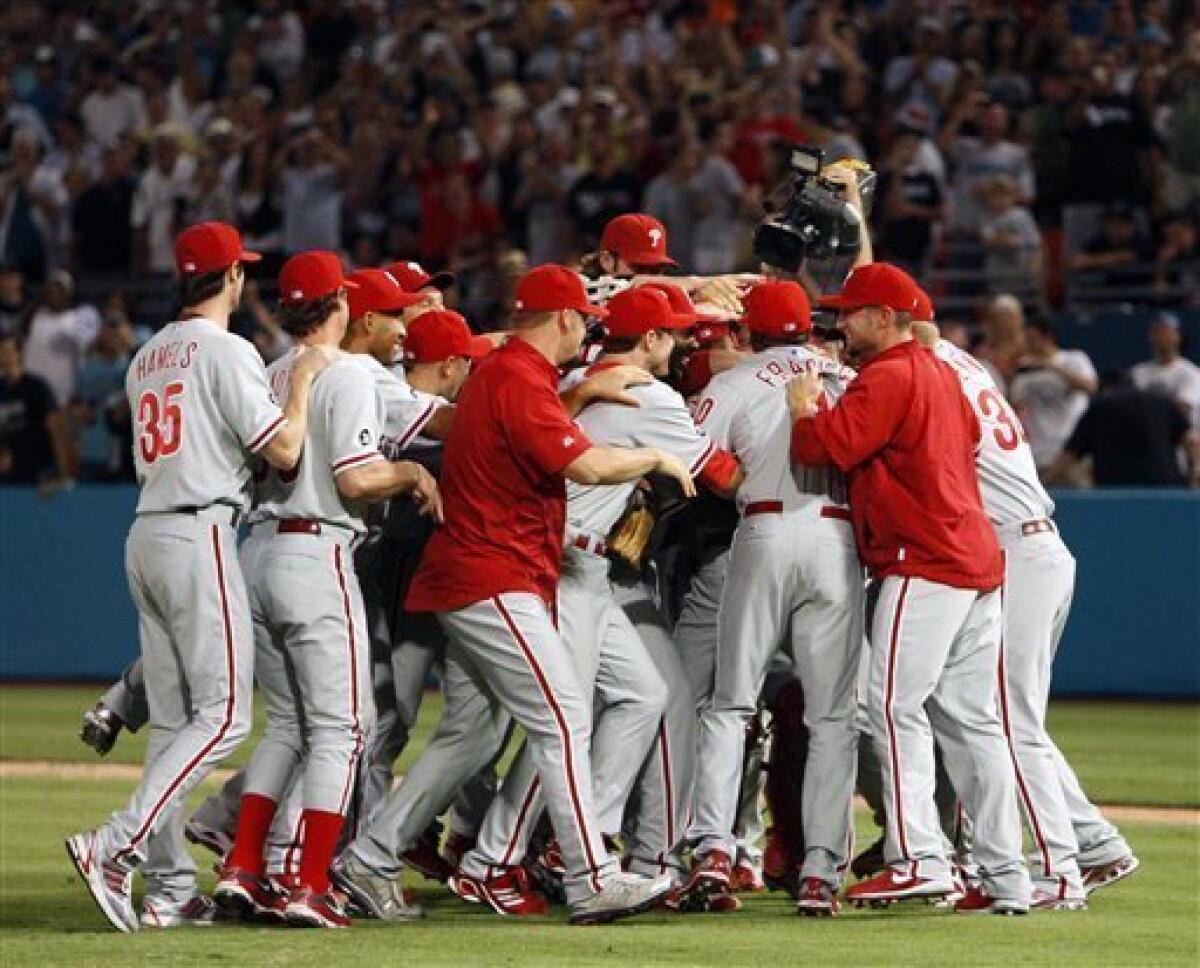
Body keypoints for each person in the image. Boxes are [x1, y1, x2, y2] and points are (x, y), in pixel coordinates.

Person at [335, 264, 693, 926]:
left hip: (480, 572)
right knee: (563, 714)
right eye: (581, 319)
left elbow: (546, 435)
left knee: (470, 736)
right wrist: (654, 459)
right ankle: (590, 876)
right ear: (561, 319)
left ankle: (369, 855)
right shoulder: (518, 376)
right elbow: (583, 463)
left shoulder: (507, 375)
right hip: (491, 573)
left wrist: (582, 397)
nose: (584, 330)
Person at [65, 222, 335, 933]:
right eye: (242, 271)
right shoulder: (228, 349)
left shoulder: (147, 356)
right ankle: (114, 846)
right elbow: (281, 448)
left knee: (177, 724)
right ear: (233, 278)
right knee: (224, 718)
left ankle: (170, 890)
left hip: (147, 530)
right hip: (199, 533)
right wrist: (302, 383)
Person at [788, 262, 1031, 915]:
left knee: (892, 707)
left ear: (887, 319)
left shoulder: (889, 374)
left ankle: (919, 857)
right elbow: (973, 439)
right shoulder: (943, 374)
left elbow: (825, 448)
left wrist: (804, 408)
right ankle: (1005, 874)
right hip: (977, 558)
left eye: (852, 312)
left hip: (923, 559)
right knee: (974, 722)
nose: (842, 322)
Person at [215, 252, 441, 930]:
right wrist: (408, 475)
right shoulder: (346, 371)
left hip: (257, 551)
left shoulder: (273, 369)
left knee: (286, 724)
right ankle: (309, 882)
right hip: (317, 551)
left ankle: (242, 868)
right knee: (347, 729)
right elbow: (356, 478)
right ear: (339, 303)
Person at [911, 314, 1138, 909]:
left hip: (1017, 548)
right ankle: (1094, 842)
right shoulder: (966, 369)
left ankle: (1057, 870)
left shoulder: (932, 378)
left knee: (1008, 720)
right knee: (991, 713)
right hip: (1029, 544)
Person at [683, 280, 862, 918]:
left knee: (730, 703)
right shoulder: (842, 374)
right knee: (833, 716)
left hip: (760, 528)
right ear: (807, 326)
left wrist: (738, 482)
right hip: (837, 537)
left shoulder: (730, 384)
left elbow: (693, 453)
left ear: (745, 332)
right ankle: (819, 870)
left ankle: (711, 849)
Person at [1051, 370, 1193, 487]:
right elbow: (1191, 442)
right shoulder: (1162, 403)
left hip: (1116, 493)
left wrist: (1044, 483)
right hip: (1165, 488)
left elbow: (1069, 457)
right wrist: (1194, 475)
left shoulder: (1099, 408)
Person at [1009, 317, 1098, 482]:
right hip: (1039, 455)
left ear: (1047, 337)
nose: (1028, 344)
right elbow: (1013, 407)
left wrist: (1050, 365)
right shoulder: (1025, 371)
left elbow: (1090, 387)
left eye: (1032, 339)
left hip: (1071, 454)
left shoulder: (1074, 359)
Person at [0, 329, 71, 486]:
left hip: (37, 472)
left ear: (19, 354)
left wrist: (62, 473)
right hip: (7, 474)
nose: (4, 358)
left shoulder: (36, 388)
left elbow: (56, 428)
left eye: (7, 352)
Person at [21, 269, 101, 408]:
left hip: (63, 395)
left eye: (60, 289)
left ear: (69, 293)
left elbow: (90, 351)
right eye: (52, 288)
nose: (56, 294)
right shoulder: (33, 315)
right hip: (32, 393)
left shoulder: (78, 319)